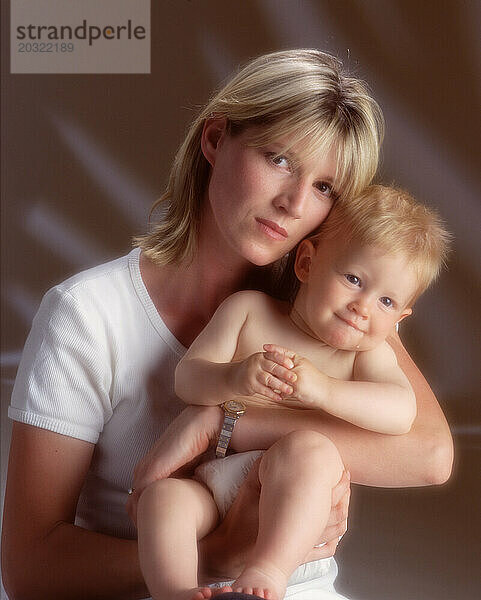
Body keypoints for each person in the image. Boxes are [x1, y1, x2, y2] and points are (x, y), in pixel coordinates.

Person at [1, 50, 452, 600]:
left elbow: (430, 456)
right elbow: (28, 570)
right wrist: (219, 557)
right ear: (214, 139)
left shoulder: (340, 305)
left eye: (325, 187)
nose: (292, 204)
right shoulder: (89, 314)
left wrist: (225, 423)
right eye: (280, 159)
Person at [131, 186, 451, 600]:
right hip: (210, 481)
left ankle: (265, 576)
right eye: (353, 279)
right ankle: (177, 593)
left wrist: (325, 391)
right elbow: (187, 379)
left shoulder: (366, 354)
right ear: (306, 262)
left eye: (386, 301)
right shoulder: (249, 310)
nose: (363, 307)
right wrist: (234, 378)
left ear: (400, 319)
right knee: (164, 499)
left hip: (288, 493)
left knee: (312, 452)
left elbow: (401, 411)